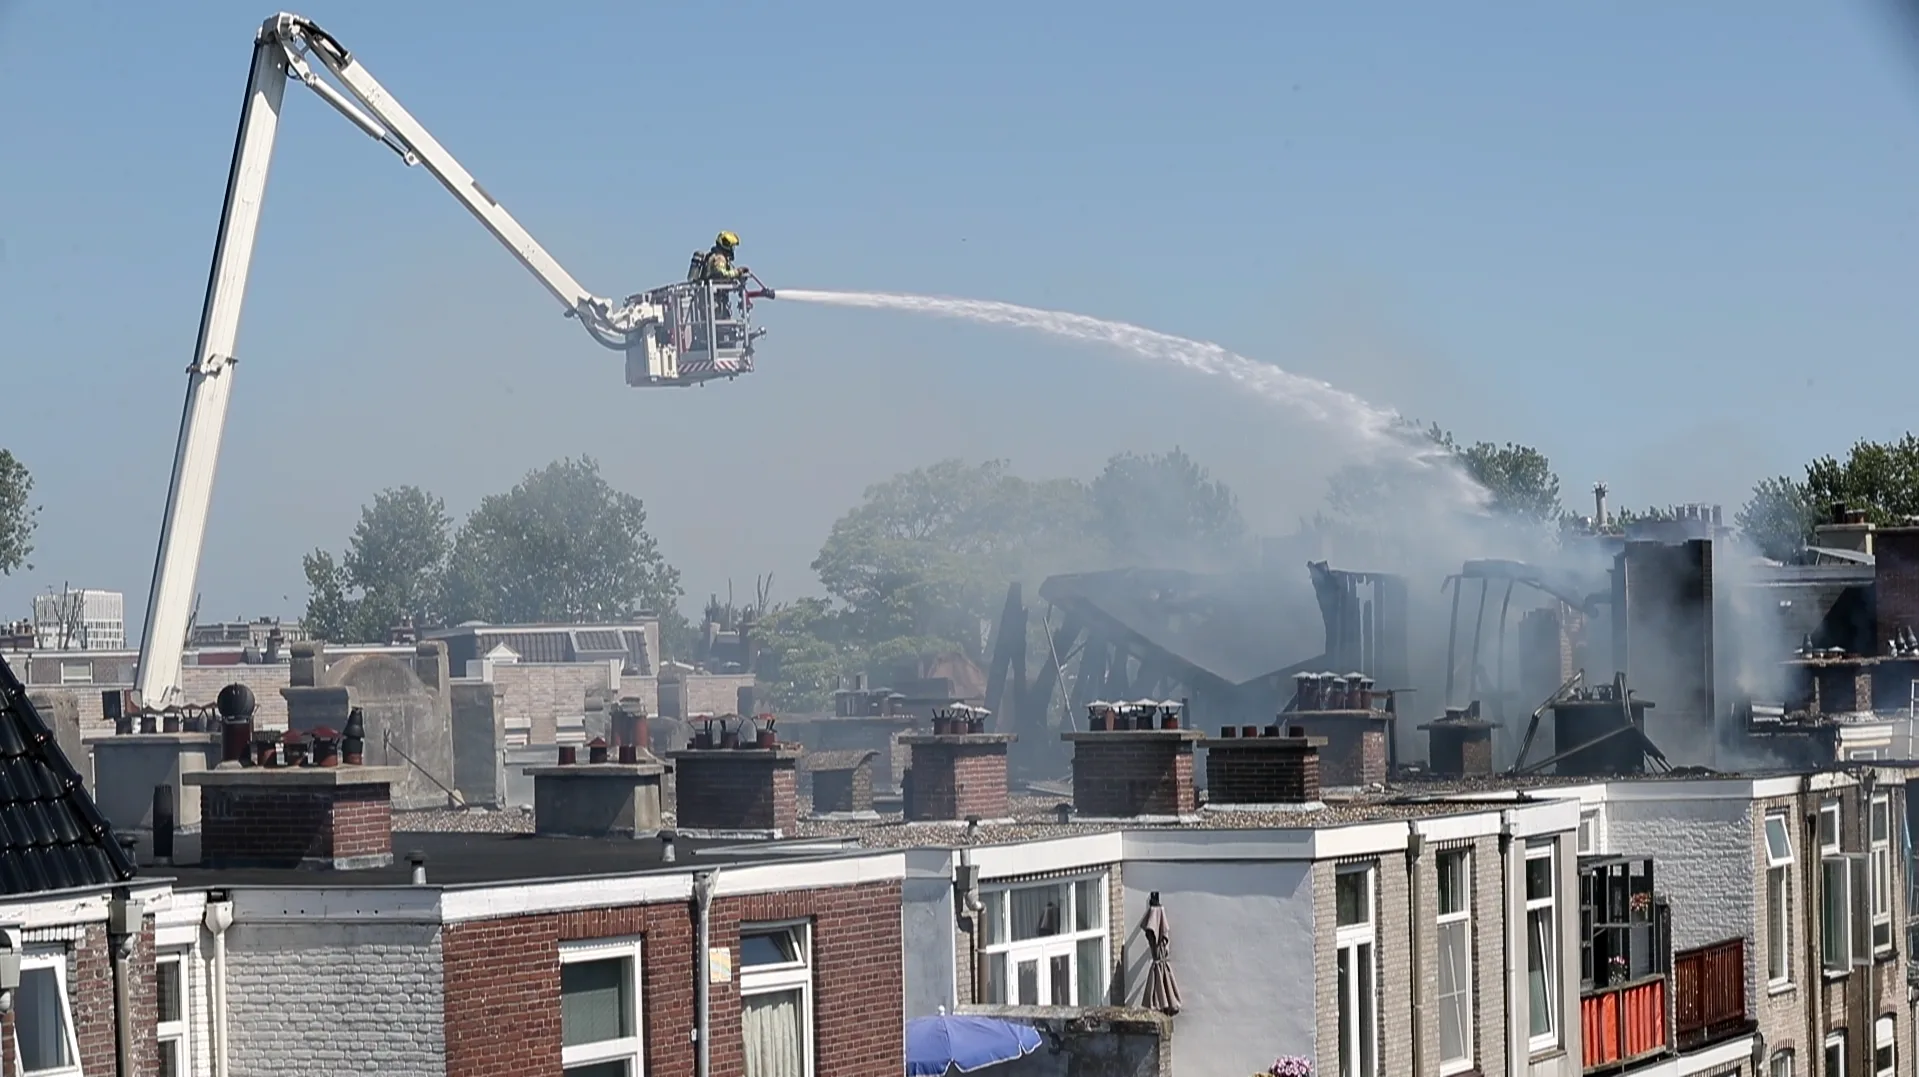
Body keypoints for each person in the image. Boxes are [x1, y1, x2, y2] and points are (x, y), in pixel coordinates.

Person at [686, 231, 748, 316]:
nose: (732, 250)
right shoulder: (720, 258)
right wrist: (738, 272)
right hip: (714, 302)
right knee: (723, 326)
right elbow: (722, 273)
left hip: (710, 300)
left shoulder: (713, 255)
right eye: (731, 247)